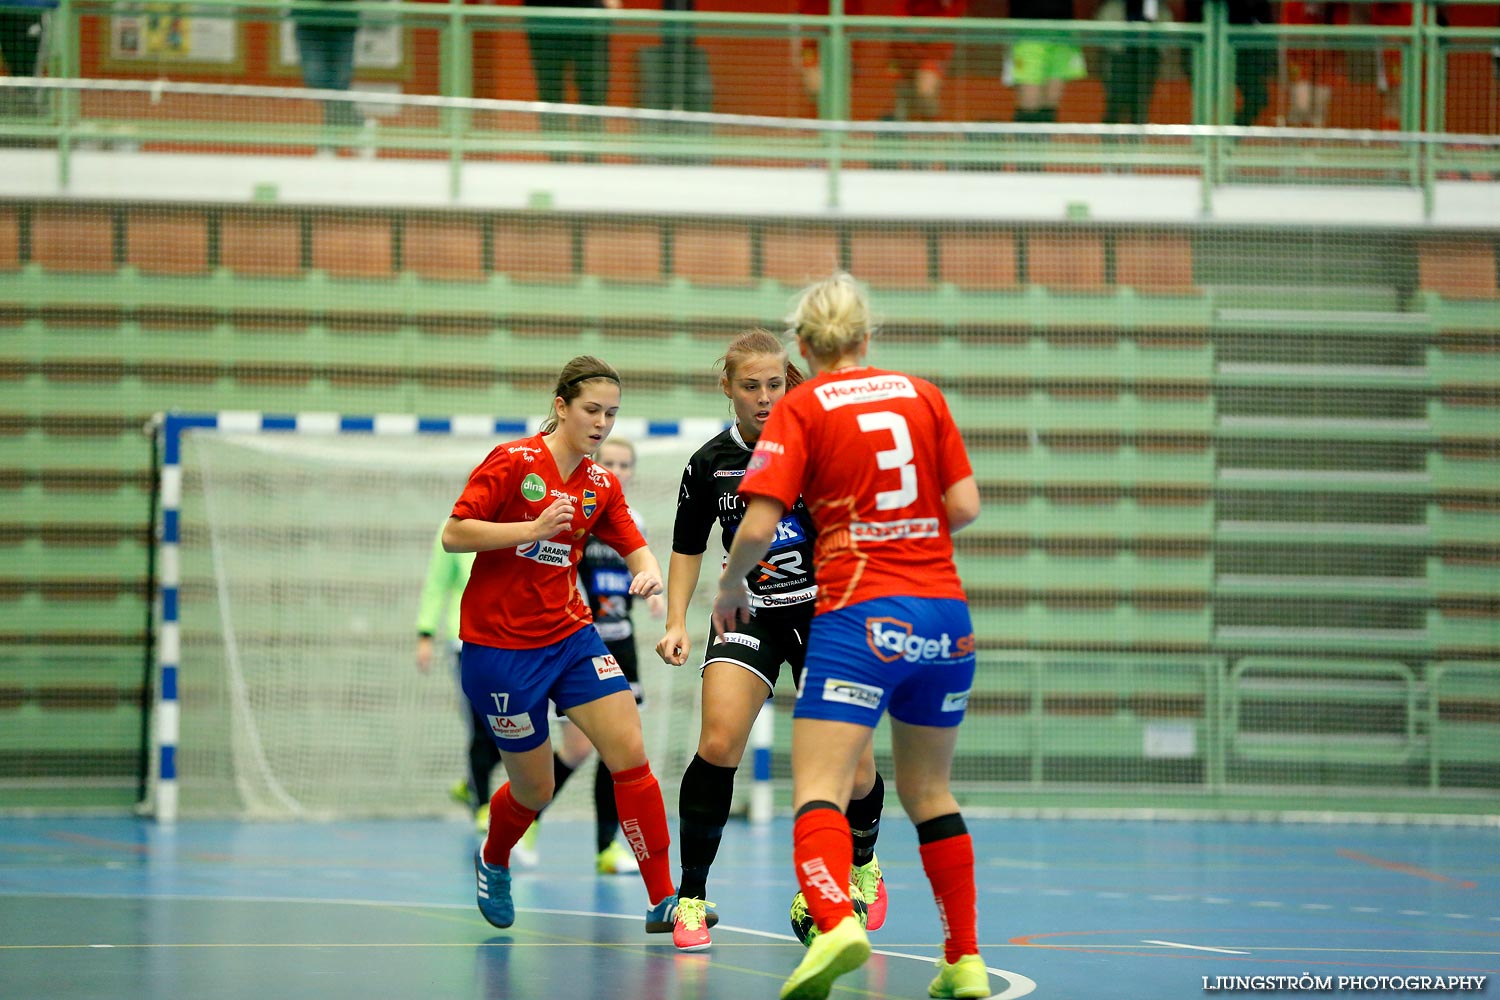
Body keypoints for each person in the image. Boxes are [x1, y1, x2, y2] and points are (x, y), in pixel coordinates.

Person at [711, 275, 987, 1000]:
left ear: (803, 345)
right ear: (869, 337)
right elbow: (964, 506)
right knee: (930, 790)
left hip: (861, 613)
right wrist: (909, 533)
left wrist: (732, 585)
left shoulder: (802, 405)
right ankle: (963, 959)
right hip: (944, 617)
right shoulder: (923, 395)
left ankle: (834, 920)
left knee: (821, 787)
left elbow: (760, 526)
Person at [655, 330, 890, 954]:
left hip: (828, 613)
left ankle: (862, 862)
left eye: (774, 385)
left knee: (856, 764)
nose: (763, 398)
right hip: (748, 612)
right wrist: (676, 621)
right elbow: (687, 549)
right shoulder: (709, 464)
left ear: (789, 383)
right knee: (717, 741)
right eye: (750, 386)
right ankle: (693, 898)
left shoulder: (820, 447)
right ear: (727, 388)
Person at [444, 354, 681, 933]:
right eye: (592, 410)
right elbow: (455, 533)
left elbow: (635, 542)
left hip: (571, 638)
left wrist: (646, 571)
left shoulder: (601, 483)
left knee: (630, 753)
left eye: (612, 414)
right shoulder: (512, 461)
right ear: (561, 407)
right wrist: (530, 529)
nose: (602, 423)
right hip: (499, 654)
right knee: (535, 787)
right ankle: (494, 857)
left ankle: (666, 901)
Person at [571, 436, 666, 875]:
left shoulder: (634, 520)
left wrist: (653, 592)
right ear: (594, 463)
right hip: (580, 641)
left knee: (619, 750)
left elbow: (641, 565)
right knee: (574, 751)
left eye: (625, 464)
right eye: (609, 461)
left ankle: (606, 846)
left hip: (622, 642)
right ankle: (522, 820)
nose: (618, 470)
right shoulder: (578, 512)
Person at [798, 0, 964, 122]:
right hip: (814, 31)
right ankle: (823, 144)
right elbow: (901, 12)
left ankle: (930, 147)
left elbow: (955, 15)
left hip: (935, 42)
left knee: (924, 92)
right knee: (816, 89)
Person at [524, 0, 621, 154]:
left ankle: (592, 158)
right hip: (544, 17)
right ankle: (556, 159)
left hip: (590, 18)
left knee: (593, 92)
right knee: (550, 93)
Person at [1008, 0, 1087, 128]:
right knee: (1029, 101)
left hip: (1063, 33)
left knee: (1052, 100)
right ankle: (1024, 145)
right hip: (1028, 34)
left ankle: (1044, 145)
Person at [289, 0, 362, 130]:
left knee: (340, 82)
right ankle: (358, 125)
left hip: (344, 22)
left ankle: (329, 142)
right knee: (314, 78)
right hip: (308, 20)